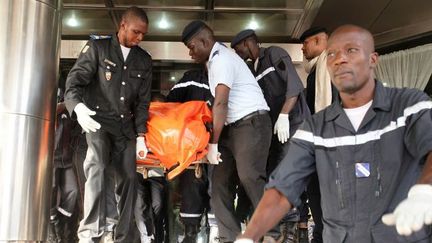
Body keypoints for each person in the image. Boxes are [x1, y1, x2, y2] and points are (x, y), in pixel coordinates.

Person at [235, 24, 432, 243]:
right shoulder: (315, 128)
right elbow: (282, 187)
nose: (340, 59)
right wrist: (248, 237)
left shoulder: (408, 106)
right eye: (332, 54)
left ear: (373, 59)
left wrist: (425, 190)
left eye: (351, 50)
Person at [64, 6, 152, 243]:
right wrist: (78, 109)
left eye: (143, 34)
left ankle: (122, 236)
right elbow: (74, 83)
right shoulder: (98, 48)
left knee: (130, 180)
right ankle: (90, 232)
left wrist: (142, 135)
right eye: (136, 32)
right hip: (98, 122)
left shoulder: (144, 60)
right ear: (123, 25)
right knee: (98, 166)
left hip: (126, 128)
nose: (140, 38)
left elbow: (143, 102)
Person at [182, 20, 272, 242]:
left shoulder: (222, 59)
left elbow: (221, 103)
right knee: (219, 185)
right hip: (232, 130)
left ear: (204, 41)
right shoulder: (212, 62)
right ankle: (229, 237)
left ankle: (272, 233)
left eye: (192, 47)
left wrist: (213, 144)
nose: (190, 53)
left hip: (251, 123)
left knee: (250, 176)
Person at [231, 29, 310, 242]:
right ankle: (280, 226)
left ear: (247, 43)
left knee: (289, 174)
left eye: (238, 48)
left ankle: (291, 232)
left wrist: (284, 115)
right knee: (275, 176)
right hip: (272, 130)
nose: (237, 53)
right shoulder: (251, 68)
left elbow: (294, 86)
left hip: (292, 125)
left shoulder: (274, 54)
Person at [299, 26, 339, 243]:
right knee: (316, 195)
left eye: (305, 44)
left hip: (333, 146)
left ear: (318, 41)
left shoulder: (334, 65)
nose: (302, 49)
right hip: (317, 146)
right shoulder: (315, 71)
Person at [166, 67, 213, 243]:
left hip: (224, 143)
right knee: (191, 186)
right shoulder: (193, 77)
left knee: (219, 189)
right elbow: (171, 103)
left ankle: (217, 232)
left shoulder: (231, 77)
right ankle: (190, 233)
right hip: (193, 146)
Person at [135, 93, 169, 243]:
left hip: (157, 170)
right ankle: (146, 237)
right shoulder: (139, 122)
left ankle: (157, 237)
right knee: (141, 203)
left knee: (158, 204)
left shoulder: (168, 127)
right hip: (137, 168)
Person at [48, 89, 80, 243]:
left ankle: (62, 224)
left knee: (73, 190)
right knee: (51, 189)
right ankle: (52, 227)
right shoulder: (49, 109)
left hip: (66, 159)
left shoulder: (69, 112)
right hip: (51, 158)